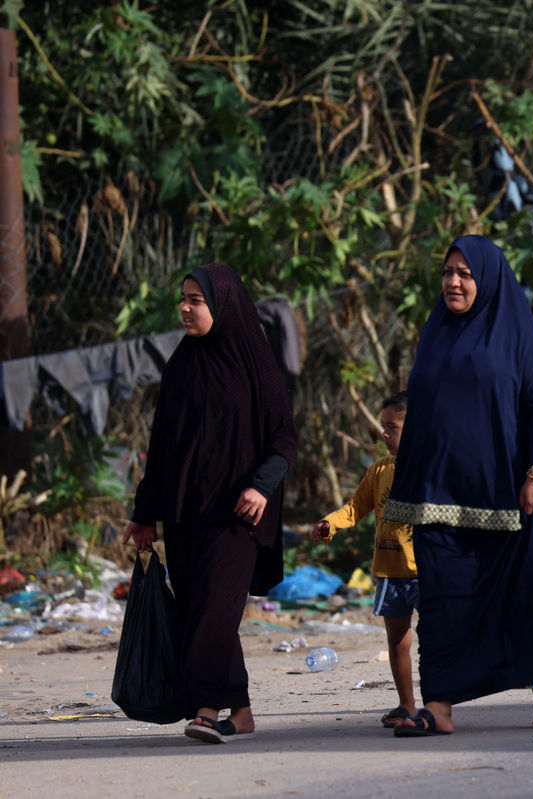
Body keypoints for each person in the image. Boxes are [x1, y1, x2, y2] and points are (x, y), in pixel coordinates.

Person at [383, 235, 533, 737]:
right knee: (441, 602)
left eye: (465, 273)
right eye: (447, 272)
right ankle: (438, 707)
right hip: (437, 496)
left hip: (508, 498)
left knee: (526, 596)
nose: (454, 282)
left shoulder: (514, 334)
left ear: (488, 279)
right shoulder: (435, 331)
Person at [122, 263, 298, 743]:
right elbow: (160, 449)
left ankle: (204, 708)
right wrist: (144, 514)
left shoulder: (255, 364)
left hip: (237, 517)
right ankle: (239, 712)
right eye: (184, 298)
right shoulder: (181, 363)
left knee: (215, 609)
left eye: (196, 301)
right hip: (184, 514)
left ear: (222, 306)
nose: (185, 308)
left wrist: (261, 486)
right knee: (202, 608)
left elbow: (284, 440)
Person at [311, 391, 417, 730]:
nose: (384, 434)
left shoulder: (433, 467)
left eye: (392, 427)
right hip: (390, 570)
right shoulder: (379, 470)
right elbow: (356, 508)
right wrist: (332, 522)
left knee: (439, 638)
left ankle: (439, 702)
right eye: (382, 426)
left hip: (430, 569)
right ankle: (407, 704)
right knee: (397, 640)